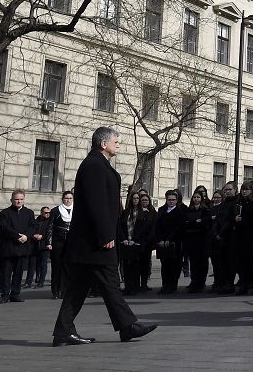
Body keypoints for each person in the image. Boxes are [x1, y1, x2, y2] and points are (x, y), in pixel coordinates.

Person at [52, 126, 157, 346]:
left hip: (90, 242)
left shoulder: (99, 164)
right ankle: (128, 326)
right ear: (103, 143)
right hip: (95, 242)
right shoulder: (93, 165)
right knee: (109, 283)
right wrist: (105, 234)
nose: (118, 144)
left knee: (79, 287)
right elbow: (95, 204)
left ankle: (64, 331)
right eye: (116, 141)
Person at [0, 189, 36, 303]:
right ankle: (5, 294)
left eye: (21, 199)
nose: (19, 201)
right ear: (11, 200)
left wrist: (26, 236)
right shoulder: (5, 213)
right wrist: (17, 236)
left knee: (18, 273)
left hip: (22, 248)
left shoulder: (29, 213)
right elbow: (4, 228)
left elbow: (33, 227)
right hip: (8, 247)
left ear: (24, 200)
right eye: (16, 199)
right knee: (6, 273)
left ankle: (15, 293)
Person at [118, 192, 152, 296]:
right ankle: (127, 286)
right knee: (126, 266)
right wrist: (124, 238)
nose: (136, 200)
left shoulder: (143, 213)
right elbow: (121, 227)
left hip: (136, 243)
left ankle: (134, 287)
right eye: (134, 198)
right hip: (126, 242)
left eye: (138, 198)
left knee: (135, 266)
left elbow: (143, 229)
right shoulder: (125, 212)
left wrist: (135, 239)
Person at [153, 189, 187, 294]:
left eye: (173, 200)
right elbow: (157, 227)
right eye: (169, 200)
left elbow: (178, 228)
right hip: (162, 243)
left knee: (174, 265)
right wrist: (160, 240)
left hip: (174, 243)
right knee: (165, 265)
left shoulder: (179, 212)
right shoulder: (162, 211)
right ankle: (165, 284)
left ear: (176, 201)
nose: (171, 201)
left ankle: (172, 285)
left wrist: (169, 239)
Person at [232, 180, 253, 295]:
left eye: (247, 189)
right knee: (240, 261)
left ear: (251, 191)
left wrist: (242, 220)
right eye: (243, 189)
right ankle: (243, 283)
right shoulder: (239, 202)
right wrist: (236, 220)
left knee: (250, 261)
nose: (244, 191)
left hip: (249, 234)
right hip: (239, 234)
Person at [210, 182, 237, 294]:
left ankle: (229, 284)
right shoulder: (224, 204)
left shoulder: (236, 202)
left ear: (235, 190)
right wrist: (216, 233)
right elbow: (218, 219)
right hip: (221, 236)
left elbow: (230, 219)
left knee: (230, 262)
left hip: (231, 236)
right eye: (225, 190)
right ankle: (224, 283)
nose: (227, 192)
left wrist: (222, 232)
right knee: (222, 262)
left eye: (229, 190)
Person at [184, 190, 211, 293]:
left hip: (202, 239)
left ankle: (201, 282)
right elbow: (186, 223)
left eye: (198, 197)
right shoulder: (189, 210)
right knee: (193, 262)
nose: (196, 199)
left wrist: (197, 222)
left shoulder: (205, 210)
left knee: (202, 262)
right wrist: (194, 222)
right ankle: (194, 282)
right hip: (191, 239)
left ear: (201, 199)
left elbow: (204, 223)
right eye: (194, 197)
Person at [47, 191, 73, 299]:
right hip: (58, 242)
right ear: (62, 199)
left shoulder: (77, 210)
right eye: (66, 198)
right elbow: (49, 227)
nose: (68, 200)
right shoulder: (55, 211)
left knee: (68, 267)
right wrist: (49, 242)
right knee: (57, 266)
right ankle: (55, 290)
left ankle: (65, 290)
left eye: (70, 198)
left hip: (71, 242)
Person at [25, 206, 52, 289]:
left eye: (49, 213)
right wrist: (33, 235)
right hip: (34, 245)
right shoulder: (36, 221)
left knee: (43, 264)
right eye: (46, 213)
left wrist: (42, 236)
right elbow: (30, 229)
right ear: (41, 213)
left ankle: (41, 281)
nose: (48, 214)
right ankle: (28, 282)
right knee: (31, 264)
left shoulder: (50, 222)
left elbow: (50, 233)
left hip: (44, 245)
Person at [137, 193, 157, 292]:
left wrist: (150, 238)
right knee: (137, 264)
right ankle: (136, 283)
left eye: (146, 200)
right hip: (137, 242)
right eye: (143, 200)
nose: (144, 202)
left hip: (148, 243)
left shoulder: (152, 212)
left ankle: (144, 283)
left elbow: (154, 227)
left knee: (145, 264)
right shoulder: (136, 212)